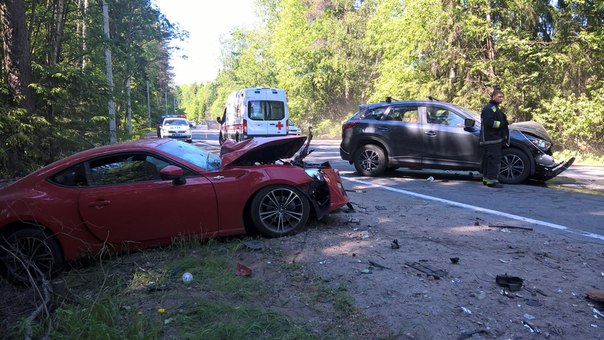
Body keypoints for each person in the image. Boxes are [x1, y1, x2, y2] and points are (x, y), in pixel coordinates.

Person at [480, 89, 509, 188]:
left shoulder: (495, 108)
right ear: (493, 97)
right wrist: (503, 124)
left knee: (489, 160)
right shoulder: (489, 108)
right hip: (491, 139)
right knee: (494, 160)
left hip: (494, 138)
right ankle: (492, 181)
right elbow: (489, 122)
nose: (501, 98)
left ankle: (486, 178)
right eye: (499, 96)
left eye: (502, 97)